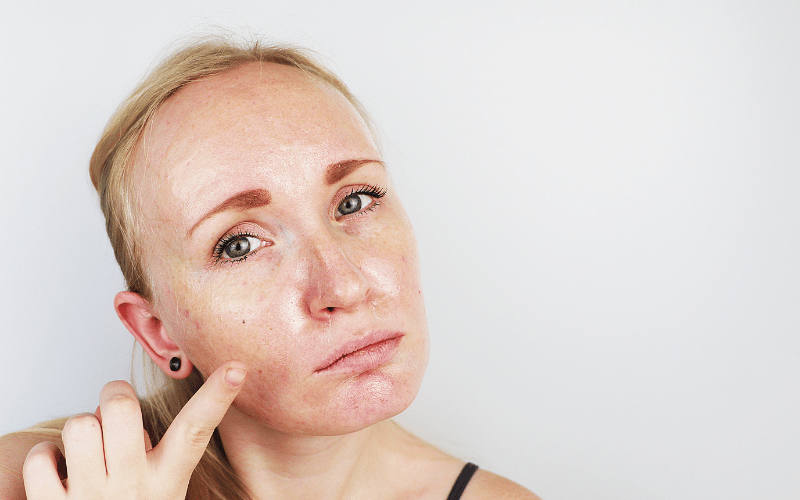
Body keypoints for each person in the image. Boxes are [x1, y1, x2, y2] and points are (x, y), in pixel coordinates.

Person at [0, 36, 539, 500]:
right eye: (239, 245)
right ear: (158, 331)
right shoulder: (33, 482)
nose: (345, 286)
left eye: (355, 201)